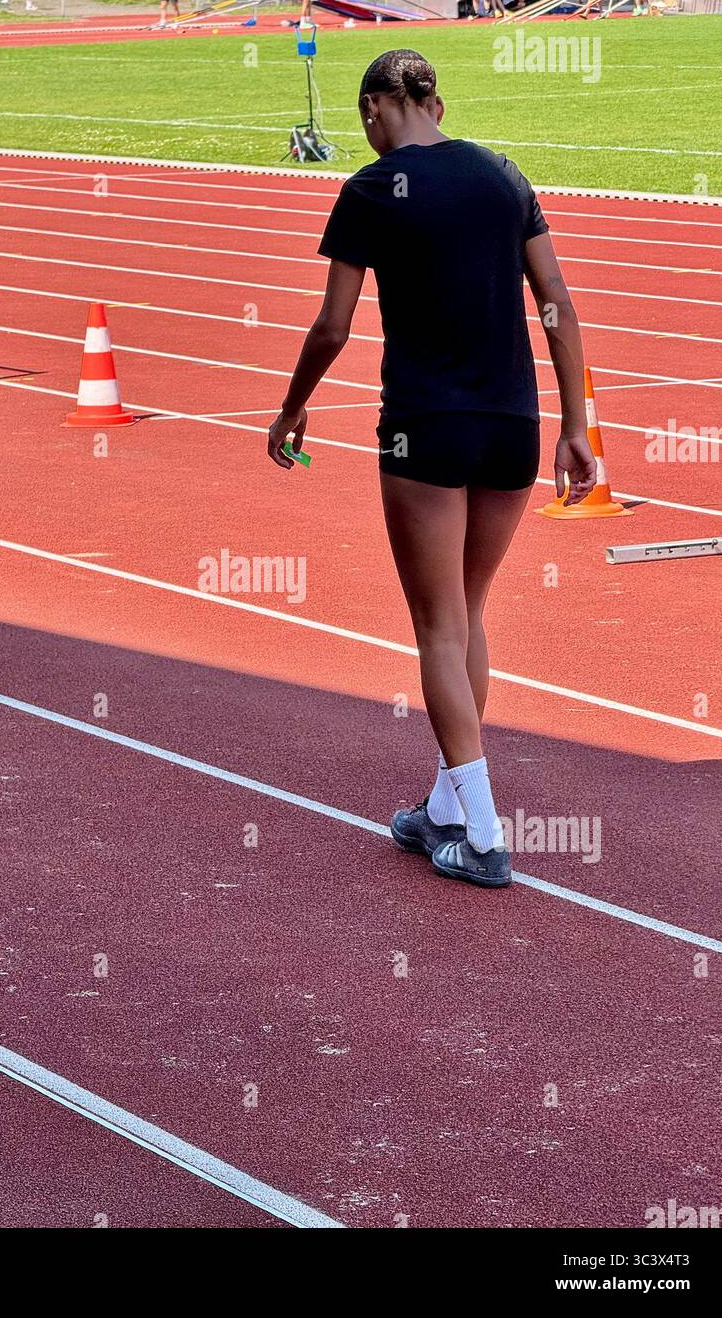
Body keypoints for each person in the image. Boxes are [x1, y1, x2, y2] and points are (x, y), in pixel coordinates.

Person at [267, 49, 596, 889]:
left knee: (438, 628)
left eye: (363, 116)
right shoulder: (502, 176)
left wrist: (291, 405)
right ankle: (444, 810)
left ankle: (483, 836)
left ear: (376, 107)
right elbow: (554, 298)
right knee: (469, 614)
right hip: (511, 425)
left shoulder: (370, 192)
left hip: (425, 428)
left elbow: (332, 328)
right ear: (436, 105)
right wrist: (575, 424)